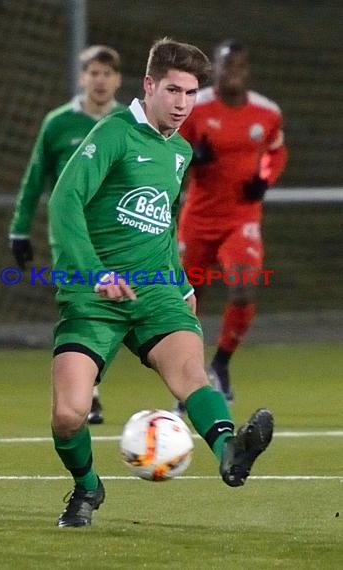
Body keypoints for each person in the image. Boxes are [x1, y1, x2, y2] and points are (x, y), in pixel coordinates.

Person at [47, 37, 274, 528]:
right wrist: (94, 272)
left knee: (192, 375)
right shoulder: (113, 134)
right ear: (149, 85)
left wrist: (180, 282)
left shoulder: (180, 152)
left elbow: (165, 223)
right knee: (69, 415)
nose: (182, 104)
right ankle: (87, 488)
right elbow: (65, 202)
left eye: (192, 93)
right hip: (96, 298)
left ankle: (230, 452)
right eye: (173, 90)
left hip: (155, 293)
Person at [9, 45, 125, 424]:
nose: (101, 80)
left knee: (120, 306)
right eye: (94, 72)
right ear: (81, 77)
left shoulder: (128, 122)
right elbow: (34, 179)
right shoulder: (58, 123)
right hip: (70, 234)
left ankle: (90, 381)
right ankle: (87, 392)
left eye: (107, 73)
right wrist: (19, 229)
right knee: (79, 304)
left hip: (116, 233)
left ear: (118, 80)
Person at [174, 39, 287, 413]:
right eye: (226, 66)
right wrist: (193, 157)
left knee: (243, 287)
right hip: (198, 217)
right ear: (216, 70)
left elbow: (276, 151)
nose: (232, 72)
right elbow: (171, 152)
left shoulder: (266, 113)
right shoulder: (196, 108)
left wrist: (265, 181)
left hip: (241, 218)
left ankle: (220, 364)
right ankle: (188, 382)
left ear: (247, 71)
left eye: (239, 66)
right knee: (186, 300)